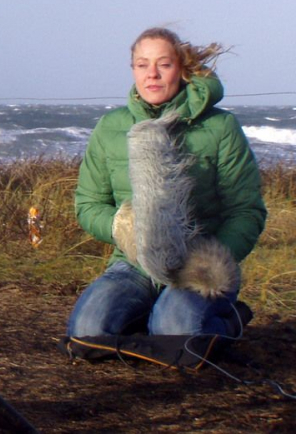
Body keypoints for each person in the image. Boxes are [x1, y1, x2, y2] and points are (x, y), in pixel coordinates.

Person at [66, 27, 266, 345]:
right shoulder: (110, 127)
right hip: (133, 264)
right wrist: (123, 228)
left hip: (200, 267)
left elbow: (246, 210)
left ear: (182, 69)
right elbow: (88, 203)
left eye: (164, 64)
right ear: (133, 70)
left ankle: (229, 320)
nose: (153, 75)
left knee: (176, 332)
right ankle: (148, 316)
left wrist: (215, 260)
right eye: (142, 64)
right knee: (87, 332)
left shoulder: (220, 126)